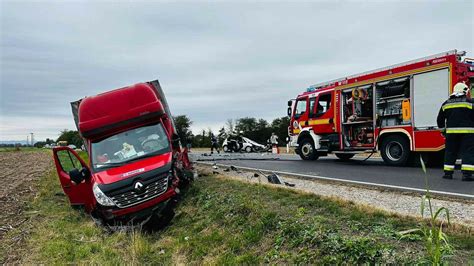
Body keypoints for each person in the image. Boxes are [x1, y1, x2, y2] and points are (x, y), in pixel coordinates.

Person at [436, 82, 474, 181]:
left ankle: (448, 174)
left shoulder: (446, 103)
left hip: (451, 134)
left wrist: (443, 131)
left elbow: (439, 119)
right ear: (464, 91)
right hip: (468, 133)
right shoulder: (470, 102)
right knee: (467, 152)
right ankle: (467, 175)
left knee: (450, 152)